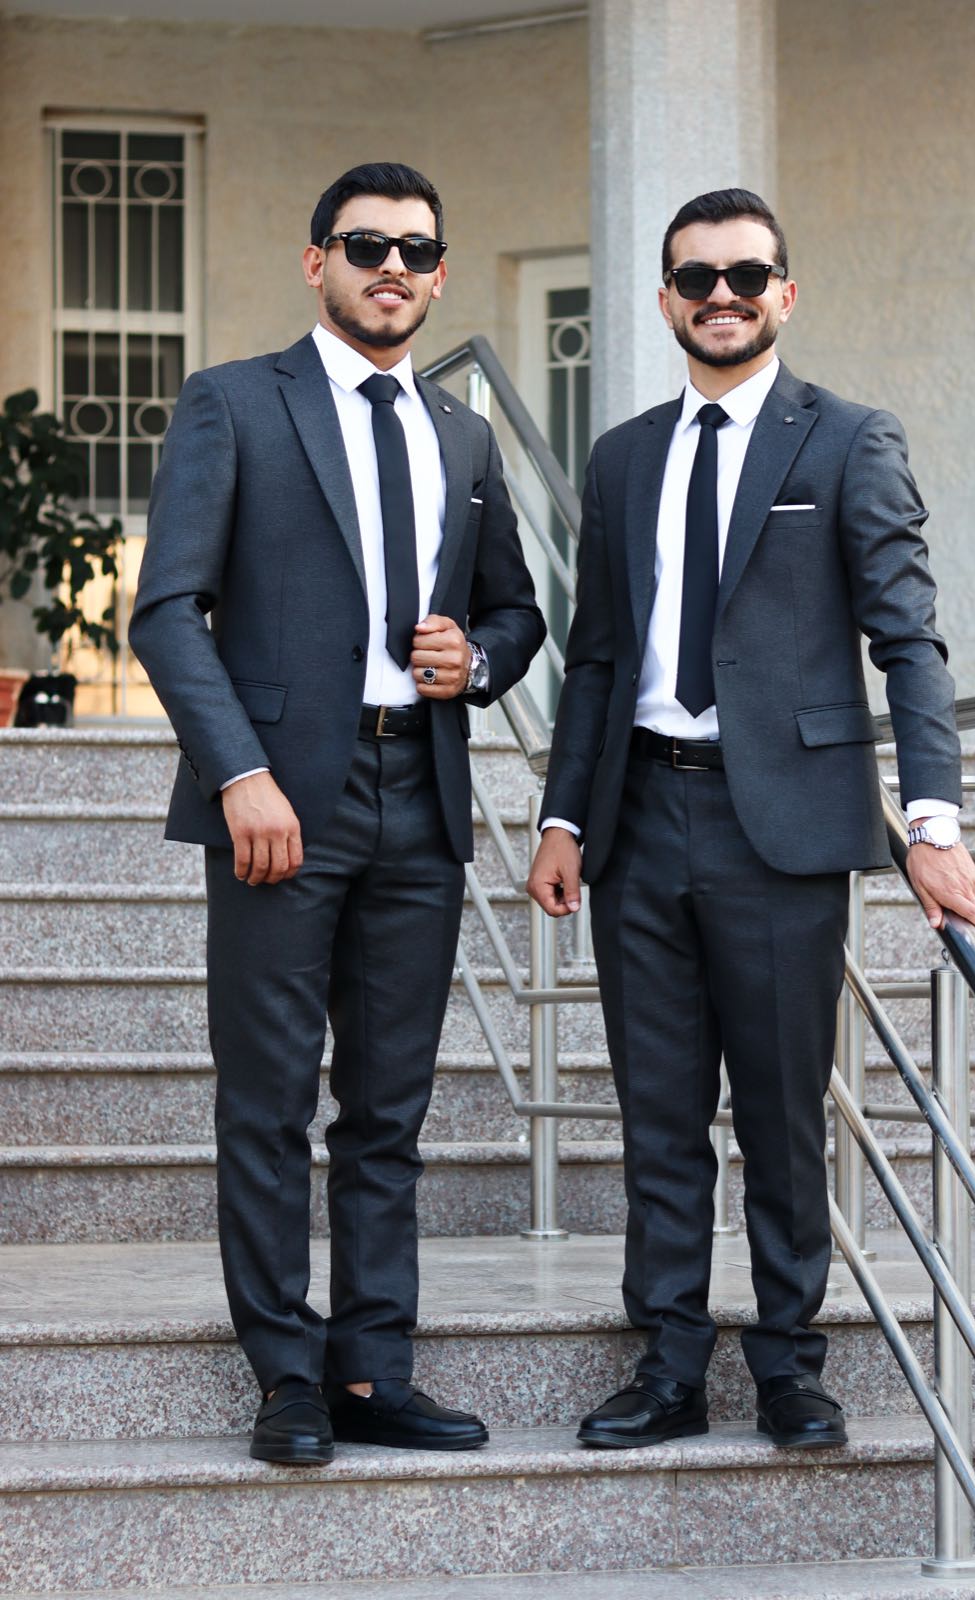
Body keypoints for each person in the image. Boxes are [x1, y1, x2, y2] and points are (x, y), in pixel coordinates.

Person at [527, 188, 975, 1451]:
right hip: (637, 819)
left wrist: (932, 821)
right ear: (665, 299)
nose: (720, 295)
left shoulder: (846, 440)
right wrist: (564, 815)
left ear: (785, 291)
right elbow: (597, 654)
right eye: (696, 278)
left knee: (782, 1109)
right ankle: (669, 1363)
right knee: (659, 1111)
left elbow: (909, 641)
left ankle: (789, 1361)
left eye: (745, 275)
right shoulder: (621, 457)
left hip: (779, 826)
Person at [131, 161, 545, 1465]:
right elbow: (167, 611)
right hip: (279, 798)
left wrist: (476, 660)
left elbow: (517, 609)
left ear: (439, 275)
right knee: (266, 1103)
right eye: (366, 245)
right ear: (317, 262)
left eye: (416, 250)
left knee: (388, 1109)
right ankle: (286, 1378)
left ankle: (372, 1370)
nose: (392, 267)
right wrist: (237, 772)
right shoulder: (234, 402)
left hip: (418, 795)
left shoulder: (462, 435)